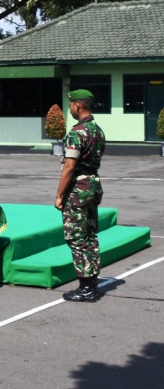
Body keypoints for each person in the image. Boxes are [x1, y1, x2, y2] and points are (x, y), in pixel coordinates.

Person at [56, 89, 107, 303]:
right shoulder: (98, 130)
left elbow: (69, 167)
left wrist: (59, 195)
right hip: (93, 185)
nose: (70, 109)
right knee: (89, 236)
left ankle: (86, 288)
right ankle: (92, 283)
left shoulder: (77, 132)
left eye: (71, 106)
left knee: (76, 238)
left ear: (78, 105)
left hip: (78, 189)